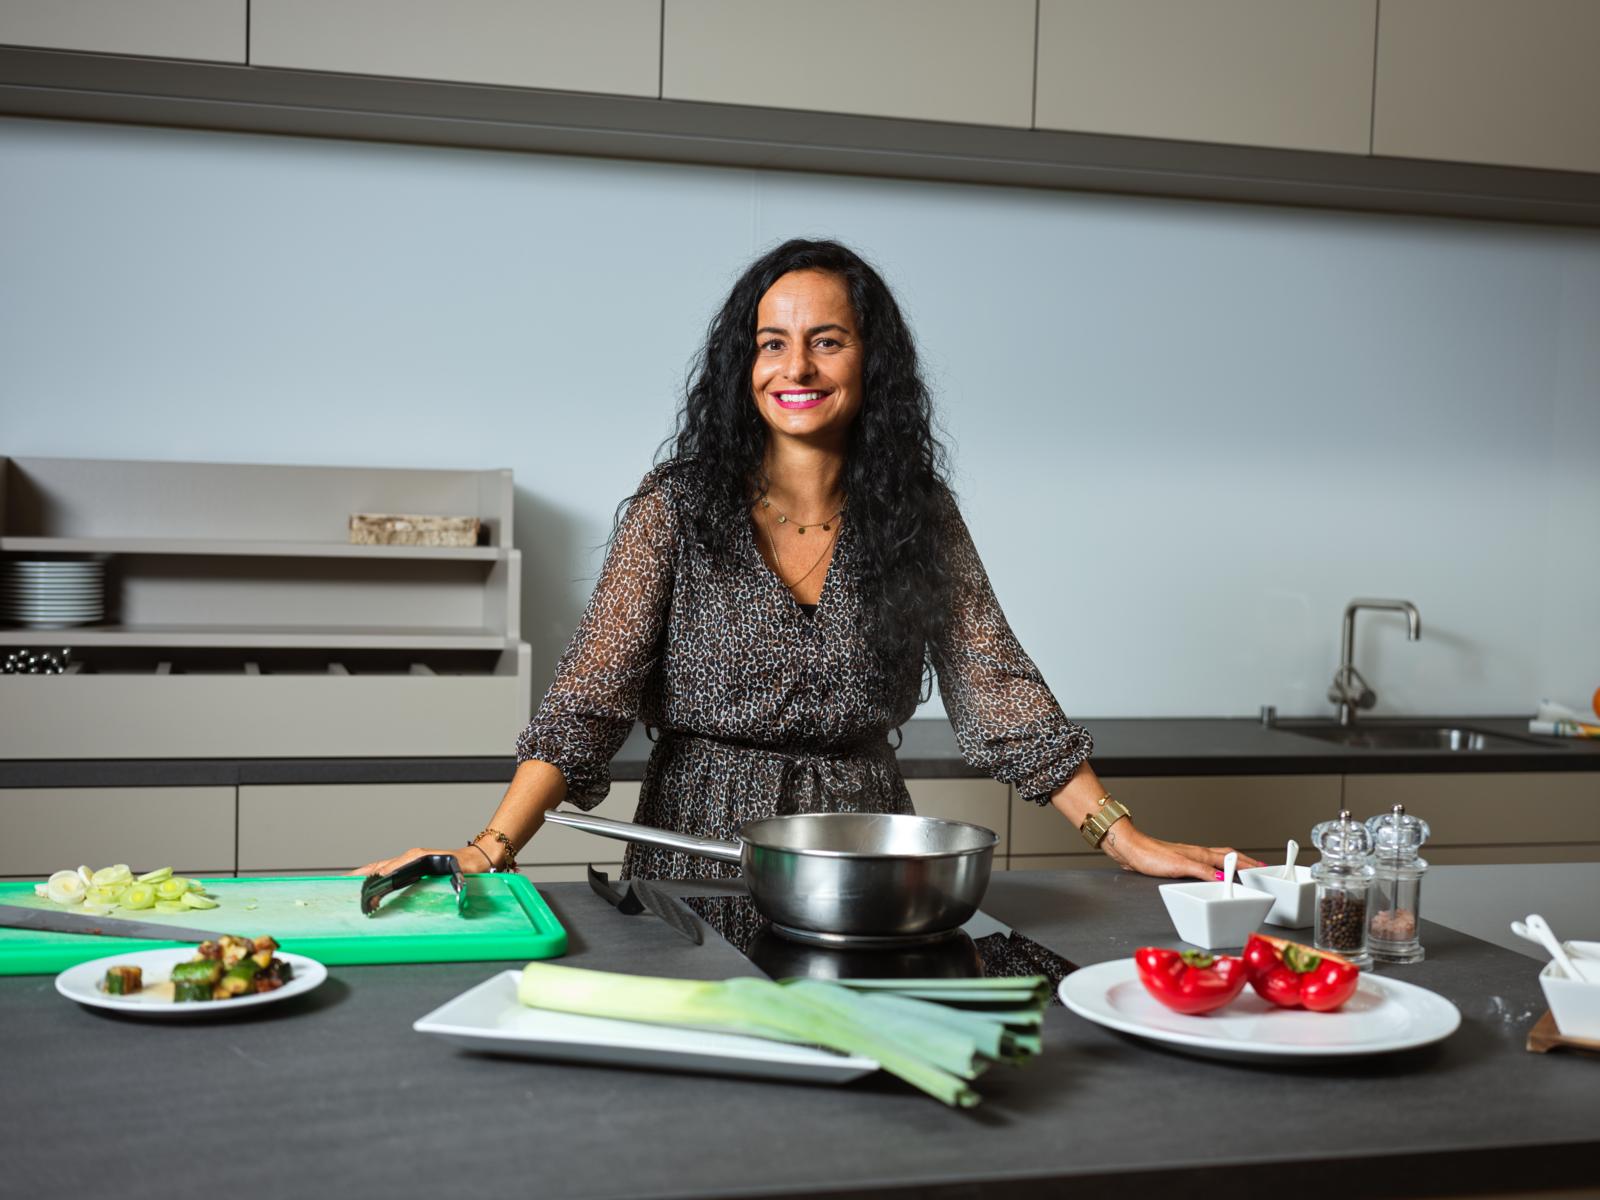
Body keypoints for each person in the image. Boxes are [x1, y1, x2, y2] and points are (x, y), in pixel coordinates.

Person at [355, 239, 1257, 883]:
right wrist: (488, 846)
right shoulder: (676, 506)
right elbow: (590, 698)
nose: (799, 364)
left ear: (870, 362)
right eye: (772, 341)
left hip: (863, 855)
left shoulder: (919, 517)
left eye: (827, 339)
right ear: (743, 365)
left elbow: (999, 690)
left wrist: (1120, 836)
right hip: (695, 847)